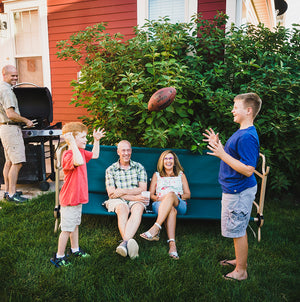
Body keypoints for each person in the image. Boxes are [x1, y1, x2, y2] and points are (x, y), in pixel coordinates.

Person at [203, 92, 262, 281]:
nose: (232, 110)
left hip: (239, 190)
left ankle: (241, 271)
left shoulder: (247, 137)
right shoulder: (242, 132)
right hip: (235, 189)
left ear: (249, 110)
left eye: (236, 107)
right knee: (238, 227)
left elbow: (248, 169)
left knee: (238, 230)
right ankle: (239, 260)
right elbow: (235, 157)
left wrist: (221, 154)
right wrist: (218, 145)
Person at [50, 122, 105, 268]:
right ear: (73, 139)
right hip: (69, 199)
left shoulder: (80, 151)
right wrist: (72, 144)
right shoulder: (69, 155)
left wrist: (97, 140)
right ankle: (59, 256)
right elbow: (79, 162)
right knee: (67, 229)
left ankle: (74, 249)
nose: (86, 140)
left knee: (75, 225)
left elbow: (96, 155)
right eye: (83, 137)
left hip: (78, 198)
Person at [140, 150, 191, 260]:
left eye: (170, 158)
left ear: (174, 161)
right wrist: (161, 198)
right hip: (160, 204)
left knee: (171, 194)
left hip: (179, 203)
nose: (168, 161)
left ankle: (156, 227)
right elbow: (151, 195)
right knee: (171, 210)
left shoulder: (181, 175)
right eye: (166, 159)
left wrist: (174, 196)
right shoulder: (156, 175)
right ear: (162, 161)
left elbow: (188, 194)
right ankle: (172, 246)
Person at [105, 140, 148, 260]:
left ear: (131, 151)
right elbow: (112, 193)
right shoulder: (111, 169)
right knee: (122, 208)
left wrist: (122, 191)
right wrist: (133, 196)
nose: (126, 153)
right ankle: (128, 243)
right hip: (119, 200)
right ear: (118, 152)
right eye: (123, 150)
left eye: (128, 150)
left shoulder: (139, 167)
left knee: (138, 207)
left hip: (135, 199)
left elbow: (143, 188)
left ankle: (124, 244)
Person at [0, 65, 35, 203]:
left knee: (9, 162)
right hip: (11, 128)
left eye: (16, 75)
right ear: (5, 75)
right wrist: (26, 121)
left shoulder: (3, 88)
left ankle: (7, 191)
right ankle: (12, 194)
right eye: (12, 76)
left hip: (4, 128)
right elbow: (11, 114)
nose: (15, 78)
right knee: (18, 162)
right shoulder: (7, 91)